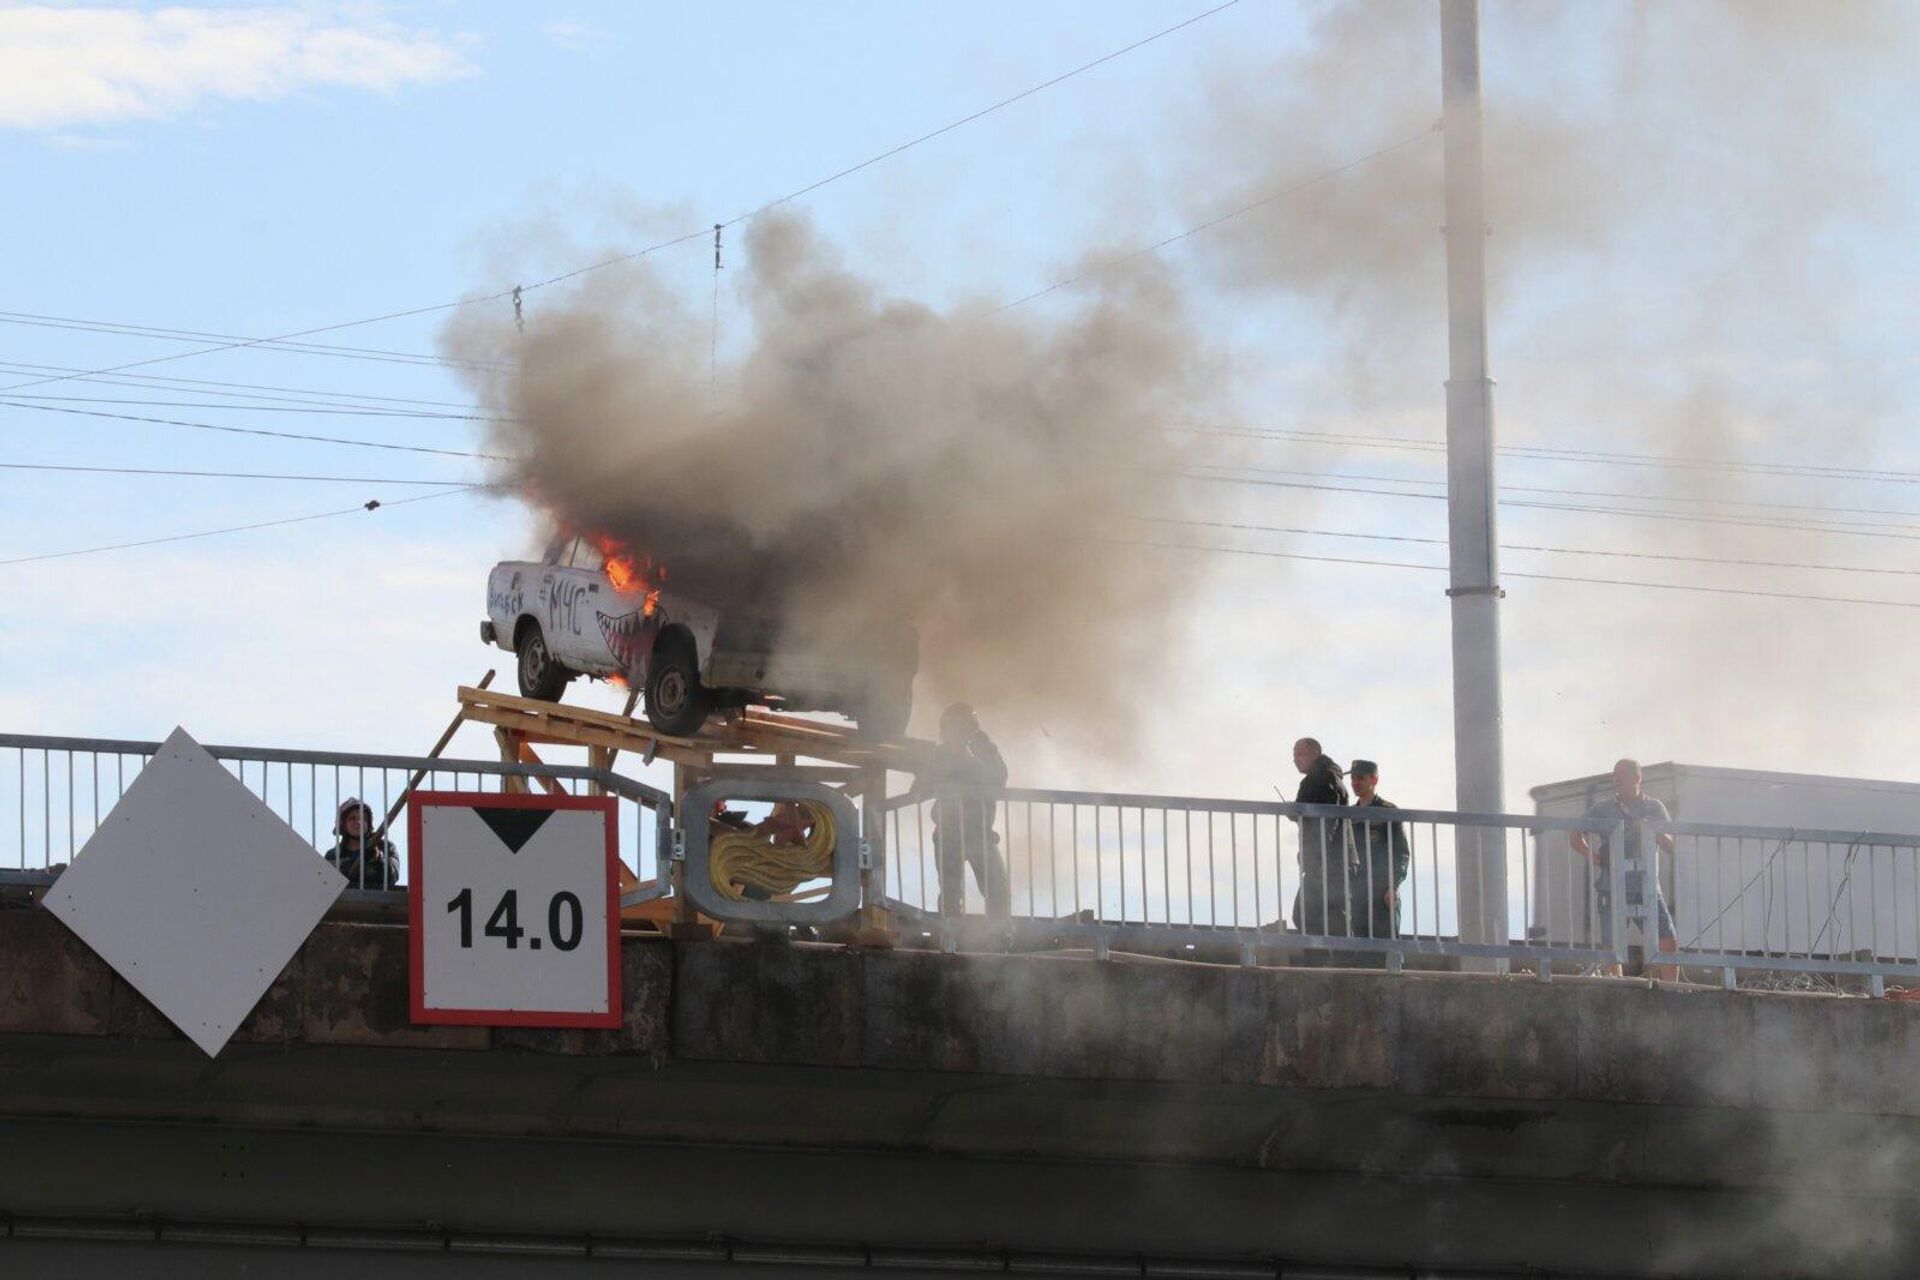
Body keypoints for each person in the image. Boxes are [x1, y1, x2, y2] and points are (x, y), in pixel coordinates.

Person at [1568, 758, 1679, 981]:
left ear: (1637, 778)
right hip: (1612, 886)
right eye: (1615, 775)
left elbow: (1671, 846)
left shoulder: (1654, 807)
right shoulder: (1603, 808)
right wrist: (1597, 858)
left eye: (1622, 775)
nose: (1616, 780)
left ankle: (1672, 990)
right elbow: (1574, 834)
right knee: (1613, 946)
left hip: (1646, 887)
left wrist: (1653, 829)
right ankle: (1616, 987)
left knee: (1667, 939)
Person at [925, 702, 1011, 918]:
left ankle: (998, 937)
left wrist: (985, 747)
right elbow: (925, 782)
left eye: (968, 727)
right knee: (951, 893)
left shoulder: (982, 756)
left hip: (980, 833)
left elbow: (999, 778)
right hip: (949, 834)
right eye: (958, 727)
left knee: (998, 888)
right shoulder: (939, 756)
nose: (963, 732)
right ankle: (951, 937)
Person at [1288, 737, 1352, 939]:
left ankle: (1330, 962)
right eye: (1293, 755)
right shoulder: (1327, 776)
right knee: (1327, 914)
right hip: (1330, 859)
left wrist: (1316, 856)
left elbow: (1326, 820)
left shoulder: (1322, 778)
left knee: (1308, 914)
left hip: (1328, 861)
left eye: (1300, 754)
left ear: (1315, 753)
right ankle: (1335, 962)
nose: (1295, 759)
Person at [1347, 759, 1411, 942]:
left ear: (1374, 780)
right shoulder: (1348, 815)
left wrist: (1393, 885)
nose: (1355, 783)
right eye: (1353, 779)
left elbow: (1401, 852)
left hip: (1382, 886)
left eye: (1360, 778)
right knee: (1357, 940)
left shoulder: (1388, 812)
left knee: (1386, 939)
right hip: (1357, 886)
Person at [324, 797, 402, 890]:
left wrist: (378, 859)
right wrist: (350, 865)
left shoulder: (385, 847)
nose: (358, 822)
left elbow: (392, 876)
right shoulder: (332, 855)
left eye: (363, 818)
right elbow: (325, 884)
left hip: (378, 902)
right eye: (352, 818)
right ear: (343, 825)